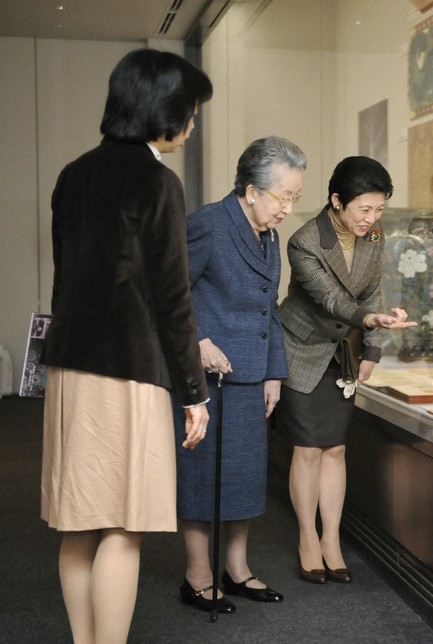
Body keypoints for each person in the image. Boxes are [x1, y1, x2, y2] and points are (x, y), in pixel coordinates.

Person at [40, 48, 213, 644]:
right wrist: (195, 393)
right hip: (129, 370)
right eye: (190, 110)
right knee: (122, 525)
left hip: (69, 366)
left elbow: (66, 282)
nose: (192, 123)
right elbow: (173, 300)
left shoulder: (71, 175)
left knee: (78, 524)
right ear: (163, 108)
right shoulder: (157, 182)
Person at [174, 136, 306, 613]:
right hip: (207, 379)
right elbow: (171, 295)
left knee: (245, 479)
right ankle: (197, 576)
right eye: (283, 196)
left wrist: (275, 373)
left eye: (295, 197)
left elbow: (268, 308)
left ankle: (237, 569)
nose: (288, 208)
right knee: (201, 476)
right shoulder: (209, 224)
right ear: (252, 190)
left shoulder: (267, 235)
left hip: (251, 378)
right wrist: (201, 341)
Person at [276, 156, 416, 584]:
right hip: (302, 350)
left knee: (335, 448)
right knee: (308, 449)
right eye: (364, 209)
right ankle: (306, 538)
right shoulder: (304, 241)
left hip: (343, 353)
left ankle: (331, 539)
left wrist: (372, 349)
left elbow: (373, 289)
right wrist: (371, 322)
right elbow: (331, 301)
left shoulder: (374, 234)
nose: (372, 219)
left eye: (379, 210)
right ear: (337, 201)